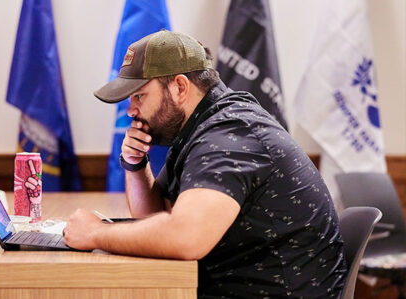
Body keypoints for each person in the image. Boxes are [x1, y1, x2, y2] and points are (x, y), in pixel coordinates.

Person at [63, 30, 347, 298]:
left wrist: (96, 233)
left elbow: (186, 236)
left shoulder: (229, 136)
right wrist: (135, 165)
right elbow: (154, 214)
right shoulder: (202, 126)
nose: (131, 110)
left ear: (179, 87)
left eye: (139, 96)